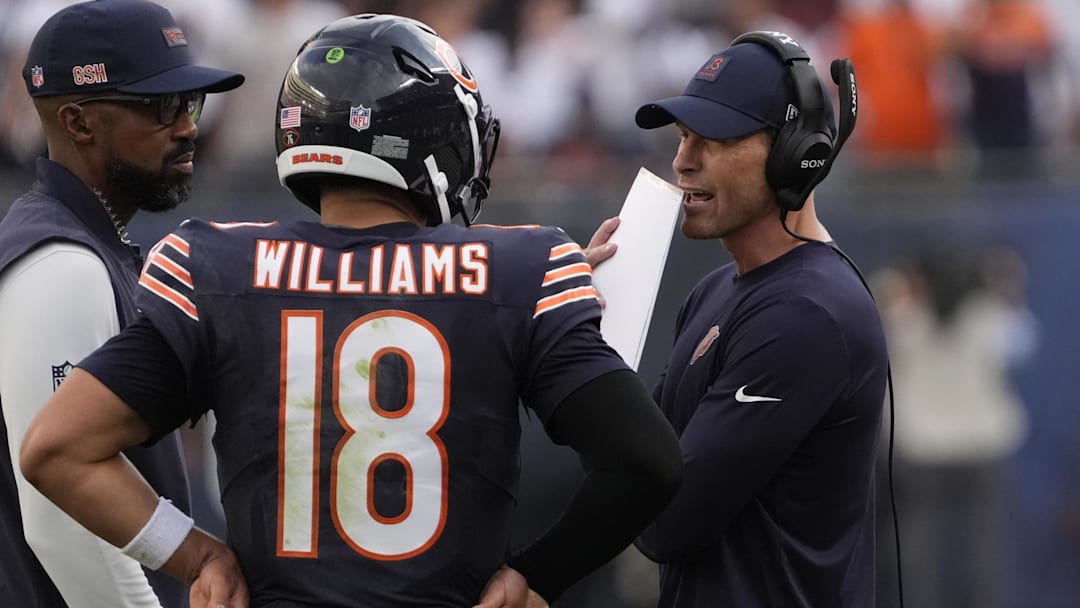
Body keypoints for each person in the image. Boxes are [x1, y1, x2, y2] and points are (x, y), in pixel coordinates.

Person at [19, 14, 683, 608]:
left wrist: (197, 554)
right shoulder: (525, 270)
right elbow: (647, 461)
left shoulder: (212, 267)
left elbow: (58, 447)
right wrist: (537, 576)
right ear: (441, 140)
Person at [590, 31, 889, 607]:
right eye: (682, 136)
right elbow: (632, 458)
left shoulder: (807, 314)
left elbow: (664, 521)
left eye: (713, 140)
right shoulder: (713, 292)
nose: (682, 160)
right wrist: (580, 329)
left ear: (797, 153)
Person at [0, 1, 244, 606]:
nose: (188, 126)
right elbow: (62, 524)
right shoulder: (62, 263)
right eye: (162, 107)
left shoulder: (83, 243)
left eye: (192, 103)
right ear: (80, 123)